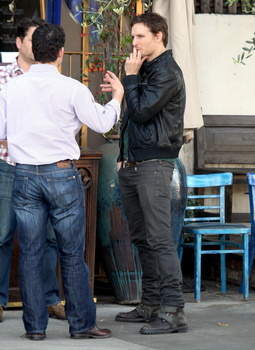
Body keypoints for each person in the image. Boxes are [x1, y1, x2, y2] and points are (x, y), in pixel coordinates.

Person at [0, 23, 124, 340]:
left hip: (24, 174)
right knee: (71, 254)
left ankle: (35, 328)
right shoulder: (72, 88)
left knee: (29, 253)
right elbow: (102, 121)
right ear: (60, 53)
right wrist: (118, 99)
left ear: (32, 49)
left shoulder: (10, 89)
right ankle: (81, 325)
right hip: (61, 174)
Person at [115, 12, 188, 335]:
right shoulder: (144, 68)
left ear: (159, 36)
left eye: (140, 36)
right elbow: (131, 116)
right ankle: (151, 303)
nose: (135, 43)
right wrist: (122, 156)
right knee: (142, 239)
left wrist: (130, 80)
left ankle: (174, 311)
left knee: (159, 239)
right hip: (133, 164)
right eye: (133, 37)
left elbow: (143, 112)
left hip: (155, 165)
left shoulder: (168, 72)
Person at [0, 18, 66, 323]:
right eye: (33, 39)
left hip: (46, 167)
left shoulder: (52, 75)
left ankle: (51, 299)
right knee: (2, 234)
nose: (39, 45)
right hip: (8, 164)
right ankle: (0, 301)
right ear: (19, 43)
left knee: (50, 236)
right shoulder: (3, 77)